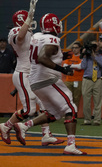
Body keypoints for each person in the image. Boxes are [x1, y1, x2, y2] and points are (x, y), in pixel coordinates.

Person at [13, 13, 86, 155]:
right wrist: (63, 69)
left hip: (35, 81)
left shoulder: (37, 36)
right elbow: (43, 57)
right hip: (47, 79)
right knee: (70, 107)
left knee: (54, 113)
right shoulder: (52, 39)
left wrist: (61, 56)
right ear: (53, 24)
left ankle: (24, 126)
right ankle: (70, 145)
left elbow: (42, 54)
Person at [0, 0, 63, 147]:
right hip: (23, 73)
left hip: (32, 73)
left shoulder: (32, 34)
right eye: (28, 18)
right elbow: (20, 37)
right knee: (29, 109)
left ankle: (46, 135)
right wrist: (29, 17)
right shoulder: (14, 31)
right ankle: (7, 126)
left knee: (44, 104)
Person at [72, 40, 102, 126]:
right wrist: (84, 55)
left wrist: (93, 55)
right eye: (93, 46)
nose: (94, 48)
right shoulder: (86, 57)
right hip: (87, 80)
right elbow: (82, 66)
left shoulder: (101, 57)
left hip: (97, 80)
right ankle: (87, 120)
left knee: (97, 101)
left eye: (96, 46)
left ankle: (97, 120)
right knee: (86, 101)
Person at [63, 42, 84, 109]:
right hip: (68, 80)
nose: (74, 49)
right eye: (73, 48)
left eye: (76, 48)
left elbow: (80, 67)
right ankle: (68, 112)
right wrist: (74, 66)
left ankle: (74, 113)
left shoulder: (82, 57)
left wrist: (70, 66)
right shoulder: (70, 56)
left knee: (76, 98)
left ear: (80, 48)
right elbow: (64, 66)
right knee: (67, 97)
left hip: (78, 80)